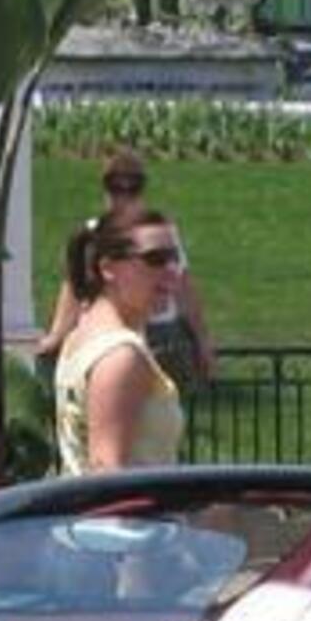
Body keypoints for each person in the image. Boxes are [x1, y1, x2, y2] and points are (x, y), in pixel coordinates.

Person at [39, 149, 214, 387]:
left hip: (159, 335)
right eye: (115, 186)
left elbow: (183, 288)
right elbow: (73, 287)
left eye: (133, 187)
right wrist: (57, 335)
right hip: (109, 334)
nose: (124, 196)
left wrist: (202, 339)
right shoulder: (92, 234)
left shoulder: (159, 234)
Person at [53, 203, 188, 474]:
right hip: (130, 517)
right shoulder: (120, 356)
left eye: (175, 257)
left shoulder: (82, 336)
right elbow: (108, 470)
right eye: (155, 259)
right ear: (108, 268)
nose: (172, 270)